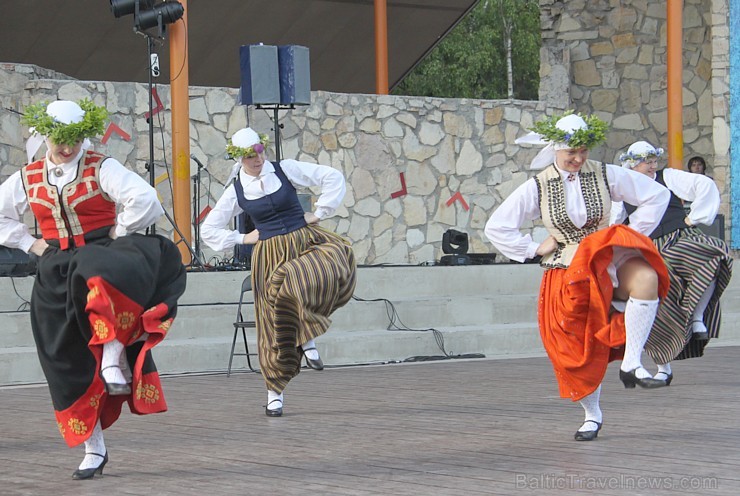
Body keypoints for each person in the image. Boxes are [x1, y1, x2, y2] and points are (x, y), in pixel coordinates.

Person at [0, 99, 187, 479]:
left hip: (102, 256)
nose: (67, 149)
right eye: (59, 140)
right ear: (46, 136)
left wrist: (119, 230)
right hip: (54, 270)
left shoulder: (101, 166)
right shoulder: (28, 176)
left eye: (74, 140)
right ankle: (94, 448)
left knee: (96, 272)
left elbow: (145, 199)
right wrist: (30, 244)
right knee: (65, 363)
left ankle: (112, 356)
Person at [484, 112, 673, 442]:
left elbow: (656, 195)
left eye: (583, 151)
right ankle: (592, 413)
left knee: (646, 278)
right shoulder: (538, 186)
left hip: (605, 256)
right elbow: (497, 226)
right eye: (571, 151)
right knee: (576, 344)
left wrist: (626, 233)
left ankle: (632, 362)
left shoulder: (605, 173)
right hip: (567, 268)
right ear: (556, 148)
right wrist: (532, 247)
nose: (577, 158)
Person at [201, 127, 356, 417]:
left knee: (317, 272)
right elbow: (208, 228)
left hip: (303, 242)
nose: (257, 160)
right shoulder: (236, 190)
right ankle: (275, 394)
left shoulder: (285, 170)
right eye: (249, 156)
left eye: (259, 152)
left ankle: (307, 336)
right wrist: (242, 238)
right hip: (268, 253)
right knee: (272, 325)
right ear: (239, 159)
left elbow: (332, 177)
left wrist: (319, 212)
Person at [613, 141, 733, 384]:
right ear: (632, 165)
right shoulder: (623, 190)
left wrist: (693, 218)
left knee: (715, 253)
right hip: (650, 248)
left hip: (680, 238)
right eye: (646, 163)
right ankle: (663, 367)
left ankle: (697, 318)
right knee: (659, 307)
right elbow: (612, 223)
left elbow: (704, 184)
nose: (652, 166)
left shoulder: (667, 177)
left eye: (653, 161)